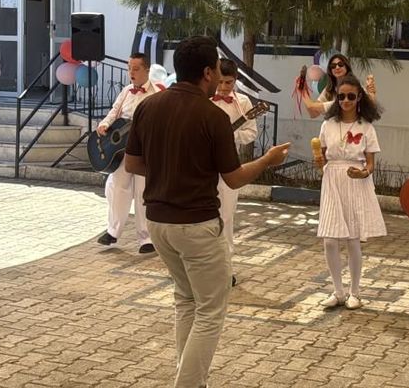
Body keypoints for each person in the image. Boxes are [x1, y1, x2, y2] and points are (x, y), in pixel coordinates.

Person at [124, 36, 290, 388]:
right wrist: (267, 159)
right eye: (216, 68)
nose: (219, 74)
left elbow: (133, 164)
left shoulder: (148, 107)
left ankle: (192, 380)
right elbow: (233, 179)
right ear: (206, 72)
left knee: (186, 300)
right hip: (197, 225)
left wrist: (167, 168)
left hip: (158, 223)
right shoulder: (212, 115)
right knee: (211, 310)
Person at [314, 74, 385, 310]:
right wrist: (319, 162)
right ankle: (338, 291)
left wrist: (364, 173)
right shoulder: (328, 124)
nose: (345, 100)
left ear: (359, 97)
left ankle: (355, 291)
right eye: (341, 96)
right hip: (332, 178)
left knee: (353, 240)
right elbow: (321, 158)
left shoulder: (366, 127)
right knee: (330, 240)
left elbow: (371, 163)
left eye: (351, 96)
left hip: (355, 180)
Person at [96, 53, 156, 254]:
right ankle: (113, 231)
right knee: (117, 187)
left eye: (136, 68)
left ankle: (146, 239)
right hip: (122, 149)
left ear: (147, 69)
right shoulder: (126, 91)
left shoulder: (157, 93)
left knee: (142, 192)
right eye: (129, 67)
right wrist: (105, 124)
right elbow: (115, 111)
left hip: (144, 150)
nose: (131, 72)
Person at [211, 58, 259, 285]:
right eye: (220, 82)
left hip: (229, 164)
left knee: (226, 216)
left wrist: (231, 136)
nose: (223, 88)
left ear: (235, 80)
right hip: (201, 165)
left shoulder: (243, 102)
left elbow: (250, 133)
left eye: (228, 83)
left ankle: (226, 269)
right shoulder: (204, 98)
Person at [302, 54, 377, 118]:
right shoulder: (329, 89)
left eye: (340, 64)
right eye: (333, 66)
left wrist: (371, 94)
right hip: (332, 130)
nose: (337, 67)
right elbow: (313, 113)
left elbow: (370, 107)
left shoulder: (356, 86)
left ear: (346, 67)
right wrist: (302, 90)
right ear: (330, 70)